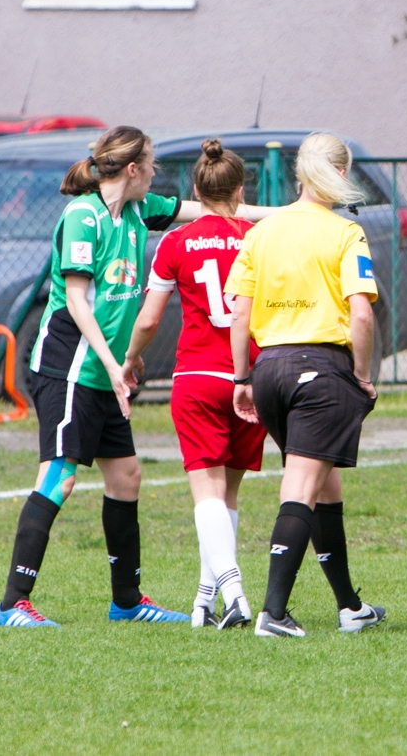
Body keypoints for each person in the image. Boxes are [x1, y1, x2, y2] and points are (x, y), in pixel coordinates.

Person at [0, 126, 274, 629]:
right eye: (151, 166)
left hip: (106, 373)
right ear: (132, 169)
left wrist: (300, 215)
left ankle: (127, 601)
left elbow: (220, 211)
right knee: (59, 477)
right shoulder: (82, 217)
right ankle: (13, 602)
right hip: (70, 369)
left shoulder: (140, 212)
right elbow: (78, 302)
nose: (156, 175)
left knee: (126, 478)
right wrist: (111, 360)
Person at [226, 132, 386, 638]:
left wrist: (243, 377)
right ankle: (273, 612)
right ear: (341, 174)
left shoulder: (262, 232)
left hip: (269, 368)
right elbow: (361, 315)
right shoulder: (345, 233)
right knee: (300, 487)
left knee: (323, 484)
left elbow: (239, 313)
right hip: (320, 369)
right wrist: (362, 375)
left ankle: (349, 607)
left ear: (298, 174)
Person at [123, 140, 268, 630]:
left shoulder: (175, 242)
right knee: (227, 495)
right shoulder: (257, 239)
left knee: (205, 493)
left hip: (198, 377)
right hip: (250, 376)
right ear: (241, 189)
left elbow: (148, 319)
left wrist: (132, 357)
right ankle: (206, 600)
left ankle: (234, 595)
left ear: (196, 190)